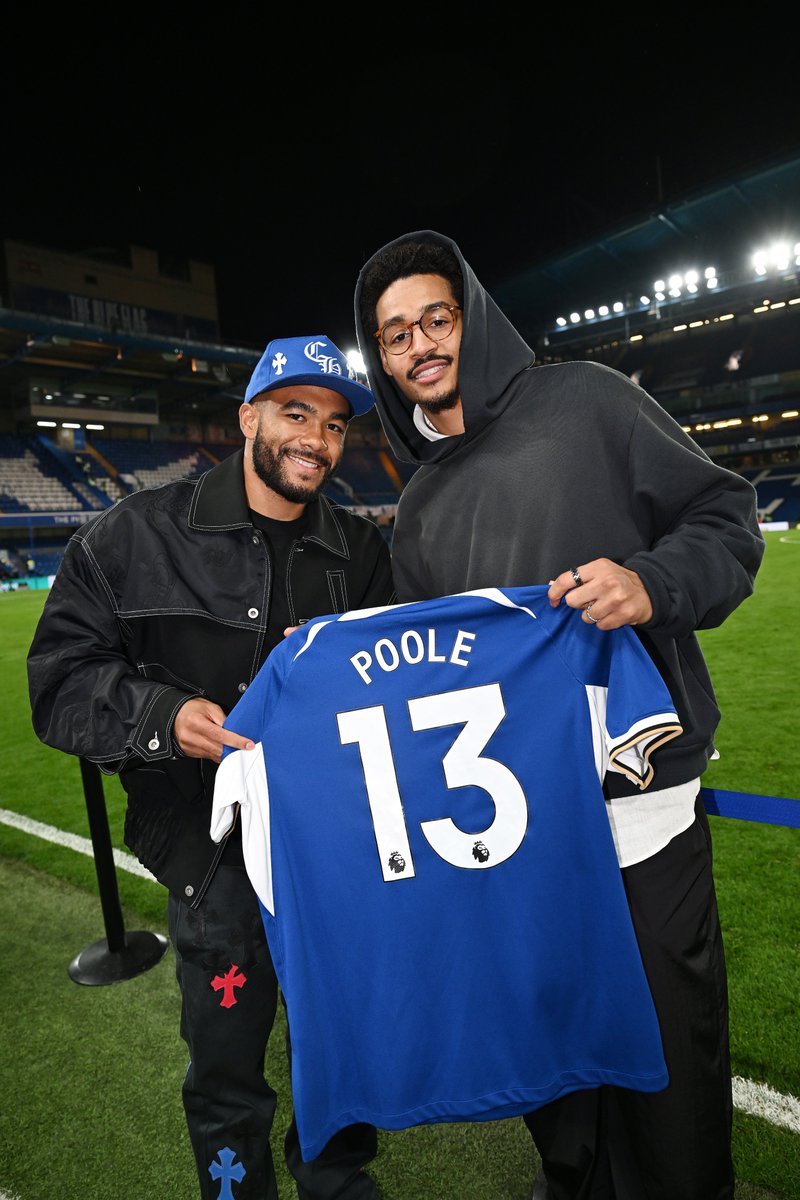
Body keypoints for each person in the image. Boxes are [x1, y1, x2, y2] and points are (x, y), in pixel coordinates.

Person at [353, 231, 765, 1200]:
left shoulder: (585, 400)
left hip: (638, 810)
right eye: (394, 334)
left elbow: (727, 517)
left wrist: (649, 583)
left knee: (667, 1047)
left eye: (434, 319)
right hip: (515, 836)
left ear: (471, 319)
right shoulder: (415, 512)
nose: (418, 345)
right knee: (557, 1053)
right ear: (381, 360)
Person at [27, 334, 394, 1200]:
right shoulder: (130, 538)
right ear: (249, 418)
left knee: (344, 1057)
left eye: (336, 424)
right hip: (212, 857)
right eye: (297, 413)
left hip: (335, 854)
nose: (317, 439)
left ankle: (337, 1185)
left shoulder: (362, 550)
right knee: (228, 1078)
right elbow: (60, 685)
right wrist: (161, 717)